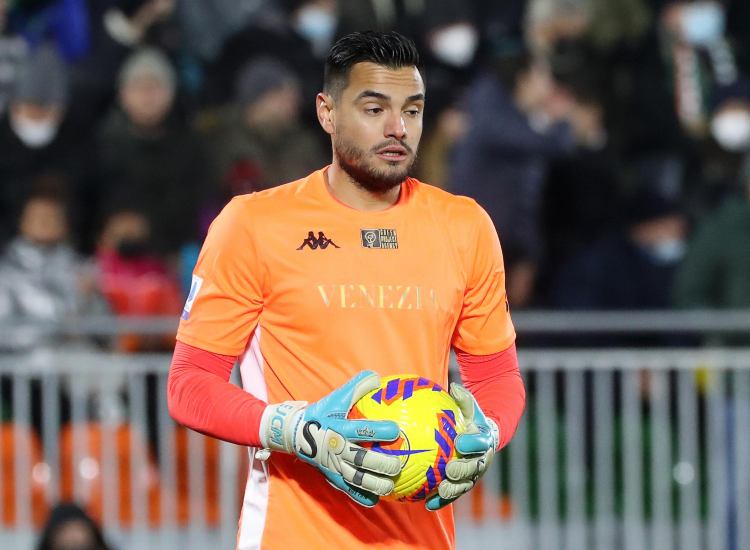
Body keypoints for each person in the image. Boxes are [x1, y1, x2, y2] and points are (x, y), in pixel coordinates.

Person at [167, 31, 525, 549]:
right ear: (327, 112)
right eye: (374, 108)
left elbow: (498, 376)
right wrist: (292, 430)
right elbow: (189, 383)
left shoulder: (464, 226)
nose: (398, 128)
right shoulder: (252, 224)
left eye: (414, 110)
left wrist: (485, 435)